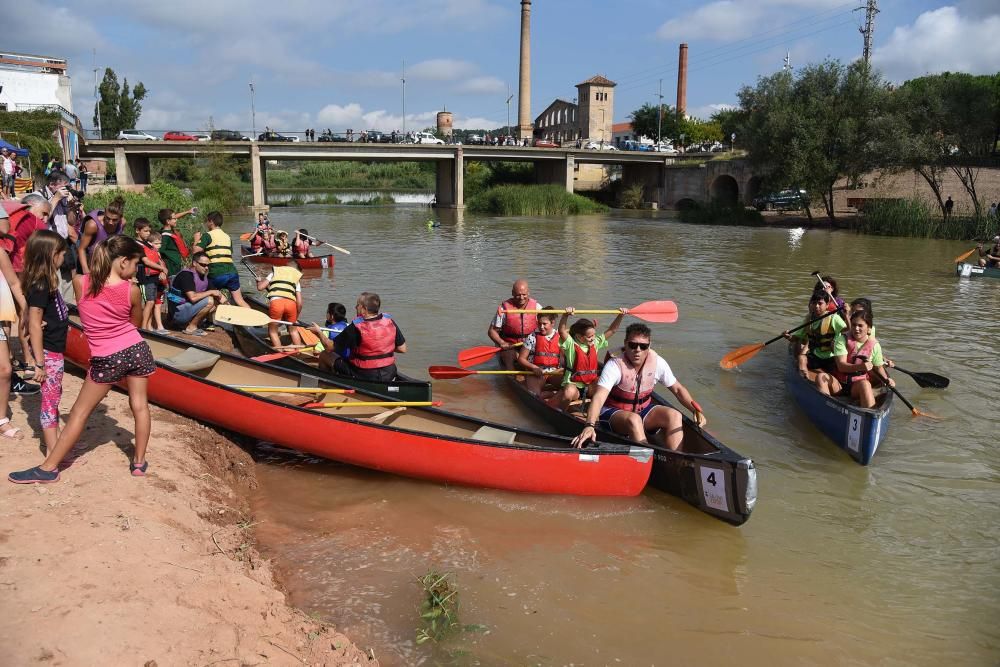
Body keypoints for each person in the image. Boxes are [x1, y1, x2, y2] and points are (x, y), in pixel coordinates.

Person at [9, 236, 157, 483]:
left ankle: (49, 468)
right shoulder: (131, 290)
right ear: (122, 262)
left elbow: (87, 313)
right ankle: (139, 463)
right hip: (136, 349)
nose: (136, 270)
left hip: (106, 356)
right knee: (140, 405)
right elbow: (136, 324)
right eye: (135, 264)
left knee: (79, 412)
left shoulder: (79, 283)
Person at [572, 323, 706, 451]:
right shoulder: (615, 365)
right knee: (634, 419)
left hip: (643, 410)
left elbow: (678, 389)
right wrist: (590, 425)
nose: (637, 350)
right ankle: (648, 457)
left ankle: (676, 460)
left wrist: (695, 411)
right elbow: (599, 397)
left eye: (643, 346)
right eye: (633, 345)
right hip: (612, 413)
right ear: (625, 344)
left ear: (649, 346)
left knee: (675, 415)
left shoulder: (658, 362)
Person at [22, 230, 70, 454]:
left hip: (54, 351)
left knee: (55, 396)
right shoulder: (40, 285)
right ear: (52, 255)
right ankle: (54, 452)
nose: (64, 258)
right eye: (61, 253)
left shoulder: (47, 282)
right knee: (50, 402)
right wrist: (39, 363)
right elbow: (33, 323)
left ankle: (58, 444)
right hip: (48, 354)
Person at [816, 310, 894, 408]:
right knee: (820, 377)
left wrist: (887, 380)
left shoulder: (875, 345)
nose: (856, 329)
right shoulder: (842, 340)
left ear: (869, 328)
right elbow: (841, 366)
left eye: (860, 326)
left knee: (865, 385)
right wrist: (860, 366)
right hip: (839, 384)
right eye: (853, 325)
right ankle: (825, 409)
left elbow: (879, 368)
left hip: (857, 386)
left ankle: (869, 414)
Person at [557, 307, 626, 410]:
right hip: (573, 385)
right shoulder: (571, 344)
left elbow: (612, 330)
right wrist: (565, 315)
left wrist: (621, 315)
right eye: (589, 337)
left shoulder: (595, 343)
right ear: (579, 337)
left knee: (610, 384)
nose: (593, 338)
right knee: (569, 392)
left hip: (590, 385)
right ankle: (560, 412)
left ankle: (603, 412)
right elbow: (561, 331)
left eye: (594, 335)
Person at [332, 292, 406, 382]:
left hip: (365, 374)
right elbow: (402, 349)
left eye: (357, 305)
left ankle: (330, 383)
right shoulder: (389, 321)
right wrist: (381, 348)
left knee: (326, 355)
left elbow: (330, 347)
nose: (355, 307)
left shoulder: (355, 327)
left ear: (364, 309)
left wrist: (319, 333)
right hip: (389, 373)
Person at [786, 290, 847, 383]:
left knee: (839, 375)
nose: (817, 306)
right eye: (814, 303)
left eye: (820, 303)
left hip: (831, 357)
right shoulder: (808, 319)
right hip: (815, 355)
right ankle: (805, 379)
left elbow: (847, 330)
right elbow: (796, 338)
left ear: (827, 305)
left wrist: (847, 315)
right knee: (801, 358)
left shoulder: (834, 318)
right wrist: (788, 336)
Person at [39, 171, 81, 303]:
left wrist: (72, 207)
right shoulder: (39, 197)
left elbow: (72, 222)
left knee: (67, 281)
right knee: (55, 283)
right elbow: (41, 220)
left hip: (64, 244)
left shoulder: (64, 199)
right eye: (64, 187)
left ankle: (67, 314)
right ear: (52, 185)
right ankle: (58, 314)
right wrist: (56, 198)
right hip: (48, 245)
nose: (66, 190)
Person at [192, 211, 249, 307]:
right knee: (239, 300)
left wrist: (196, 239)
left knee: (207, 295)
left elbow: (196, 251)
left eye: (207, 221)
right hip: (232, 271)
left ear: (211, 222)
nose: (206, 224)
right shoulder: (227, 236)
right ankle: (251, 318)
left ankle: (213, 316)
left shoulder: (208, 235)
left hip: (216, 271)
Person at [166, 251, 224, 335]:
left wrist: (229, 307)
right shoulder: (186, 275)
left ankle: (191, 323)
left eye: (208, 265)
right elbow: (193, 298)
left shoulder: (203, 277)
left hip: (186, 309)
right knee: (210, 300)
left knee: (216, 302)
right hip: (177, 313)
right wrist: (210, 292)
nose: (206, 268)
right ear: (194, 263)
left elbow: (218, 294)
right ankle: (191, 327)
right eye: (203, 265)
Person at [488, 279, 541, 368]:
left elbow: (548, 324)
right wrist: (502, 342)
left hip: (529, 345)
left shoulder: (537, 307)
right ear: (512, 293)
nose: (521, 298)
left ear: (528, 293)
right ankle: (511, 374)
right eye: (518, 295)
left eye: (524, 294)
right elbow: (492, 331)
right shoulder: (503, 309)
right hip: (510, 346)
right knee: (508, 357)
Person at [516, 307, 563, 396]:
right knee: (534, 394)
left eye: (544, 324)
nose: (541, 327)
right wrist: (534, 367)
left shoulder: (560, 337)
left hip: (554, 372)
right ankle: (546, 394)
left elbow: (565, 359)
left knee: (569, 389)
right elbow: (521, 359)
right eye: (539, 324)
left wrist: (562, 369)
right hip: (535, 372)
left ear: (552, 323)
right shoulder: (532, 337)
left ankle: (549, 394)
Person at [133, 220, 169, 333]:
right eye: (145, 231)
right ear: (137, 231)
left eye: (149, 231)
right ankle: (143, 328)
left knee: (152, 301)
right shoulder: (136, 245)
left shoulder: (148, 244)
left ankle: (148, 327)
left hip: (153, 277)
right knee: (149, 302)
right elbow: (146, 261)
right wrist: (161, 269)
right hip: (144, 277)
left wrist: (163, 271)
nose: (148, 233)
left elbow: (157, 258)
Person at [255, 265, 303, 348]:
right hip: (291, 304)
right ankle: (297, 352)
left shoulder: (273, 273)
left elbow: (260, 287)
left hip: (276, 304)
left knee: (273, 331)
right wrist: (296, 316)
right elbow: (300, 302)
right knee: (293, 330)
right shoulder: (295, 279)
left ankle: (279, 351)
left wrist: (258, 281)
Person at [77, 196, 126, 274]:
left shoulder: (122, 223)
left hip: (109, 262)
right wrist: (86, 271)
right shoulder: (93, 225)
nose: (110, 222)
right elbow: (81, 249)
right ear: (105, 213)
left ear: (120, 217)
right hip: (91, 262)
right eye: (107, 218)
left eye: (114, 220)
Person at [157, 207, 195, 276]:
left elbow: (172, 217)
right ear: (168, 221)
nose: (176, 220)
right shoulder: (165, 235)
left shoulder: (170, 229)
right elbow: (160, 250)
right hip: (173, 268)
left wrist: (188, 212)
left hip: (177, 265)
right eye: (174, 219)